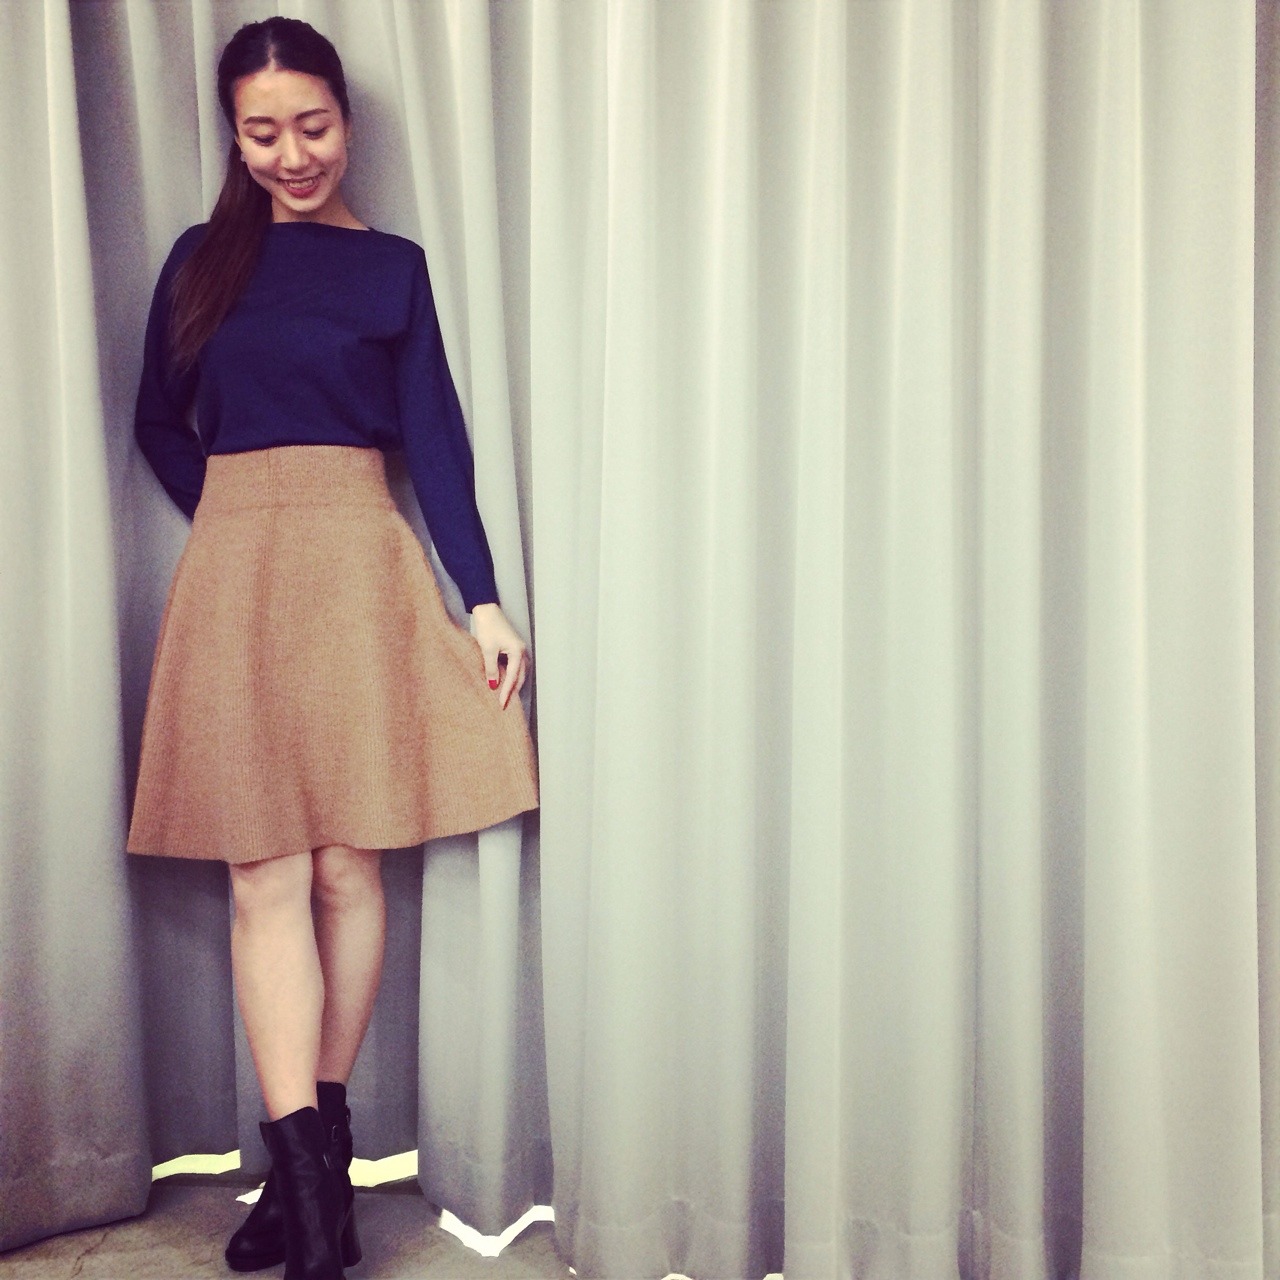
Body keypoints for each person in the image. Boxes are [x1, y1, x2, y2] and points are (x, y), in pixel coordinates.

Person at [126, 17, 539, 1280]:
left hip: (360, 558)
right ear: (234, 137)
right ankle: (314, 1210)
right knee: (264, 870)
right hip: (238, 571)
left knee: (349, 866)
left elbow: (436, 441)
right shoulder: (201, 258)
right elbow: (157, 421)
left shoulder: (391, 270)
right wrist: (238, 519)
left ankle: (314, 1166)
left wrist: (480, 598)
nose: (291, 153)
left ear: (347, 121)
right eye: (262, 132)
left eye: (311, 125)